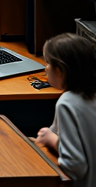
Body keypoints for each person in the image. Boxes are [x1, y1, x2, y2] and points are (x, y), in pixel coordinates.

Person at [37, 33, 96, 187]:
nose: (45, 68)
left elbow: (75, 165)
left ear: (60, 70)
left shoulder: (67, 103)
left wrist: (51, 139)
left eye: (48, 62)